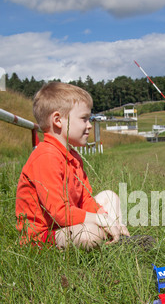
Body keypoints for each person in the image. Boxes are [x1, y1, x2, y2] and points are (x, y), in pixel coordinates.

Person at [15, 81, 130, 250]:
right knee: (89, 234)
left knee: (110, 196)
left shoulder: (73, 156)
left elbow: (85, 199)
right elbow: (58, 213)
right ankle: (111, 239)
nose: (89, 125)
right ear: (58, 120)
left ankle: (119, 238)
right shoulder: (46, 156)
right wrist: (100, 220)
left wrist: (104, 216)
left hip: (69, 224)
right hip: (45, 235)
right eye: (84, 119)